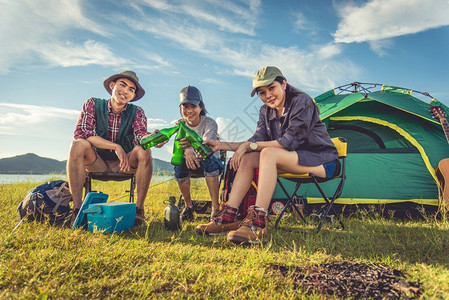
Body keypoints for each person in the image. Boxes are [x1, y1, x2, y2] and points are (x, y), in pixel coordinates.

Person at [196, 66, 339, 245]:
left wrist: (250, 146)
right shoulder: (266, 111)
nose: (268, 95)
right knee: (249, 157)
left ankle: (258, 222)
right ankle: (229, 216)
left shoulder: (302, 101)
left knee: (268, 153)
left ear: (284, 84)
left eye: (272, 88)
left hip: (322, 160)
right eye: (262, 92)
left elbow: (288, 142)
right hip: (292, 158)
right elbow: (256, 141)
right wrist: (222, 145)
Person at [67, 70, 154, 227]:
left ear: (133, 97)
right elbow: (83, 133)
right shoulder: (93, 104)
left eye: (131, 90)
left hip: (124, 164)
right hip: (96, 161)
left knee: (145, 150)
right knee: (77, 144)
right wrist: (115, 146)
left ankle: (138, 211)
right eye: (123, 85)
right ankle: (78, 210)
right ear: (112, 85)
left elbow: (140, 135)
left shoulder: (137, 112)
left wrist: (153, 139)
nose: (126, 91)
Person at [173, 86, 223, 221]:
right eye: (185, 106)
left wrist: (190, 146)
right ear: (180, 109)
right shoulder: (179, 124)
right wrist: (187, 151)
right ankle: (188, 207)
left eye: (193, 106)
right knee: (178, 165)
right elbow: (178, 144)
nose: (189, 111)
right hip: (190, 162)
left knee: (209, 159)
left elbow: (205, 145)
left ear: (200, 107)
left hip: (210, 160)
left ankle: (215, 208)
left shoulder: (210, 123)